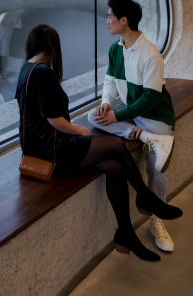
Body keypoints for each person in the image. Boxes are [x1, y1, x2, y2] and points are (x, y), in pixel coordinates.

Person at [17, 24, 182, 262]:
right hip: (53, 150)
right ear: (54, 47)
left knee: (115, 168)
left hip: (37, 146)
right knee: (115, 145)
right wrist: (79, 131)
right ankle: (145, 196)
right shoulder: (44, 73)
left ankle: (125, 233)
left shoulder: (27, 68)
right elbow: (54, 120)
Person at [88, 0, 178, 252]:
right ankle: (140, 135)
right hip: (133, 117)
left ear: (124, 20)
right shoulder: (116, 49)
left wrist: (118, 116)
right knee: (92, 117)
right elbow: (110, 81)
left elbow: (151, 99)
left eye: (110, 16)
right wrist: (107, 104)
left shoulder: (151, 54)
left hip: (155, 116)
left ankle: (156, 220)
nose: (107, 20)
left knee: (157, 171)